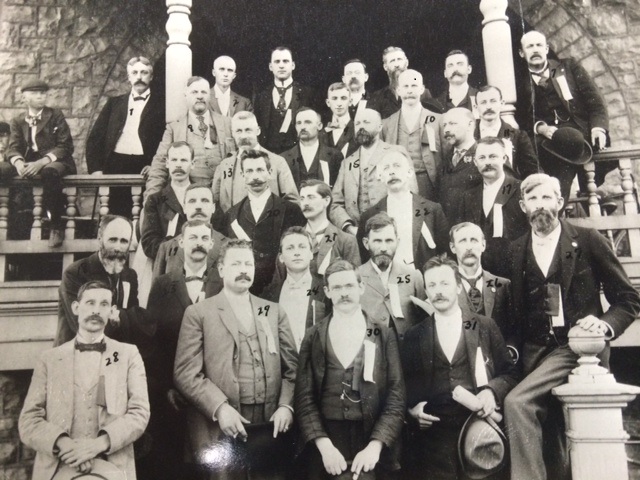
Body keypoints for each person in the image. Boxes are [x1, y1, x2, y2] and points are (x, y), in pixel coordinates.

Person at [503, 173, 640, 480]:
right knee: (553, 437)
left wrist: (603, 324)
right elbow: (514, 313)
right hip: (533, 353)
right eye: (534, 199)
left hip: (576, 350)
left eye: (547, 198)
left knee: (518, 404)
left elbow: (629, 300)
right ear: (523, 205)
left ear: (560, 202)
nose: (541, 206)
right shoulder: (514, 250)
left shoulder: (588, 240)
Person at [174, 239, 298, 479]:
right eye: (236, 264)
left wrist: (286, 405)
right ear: (221, 270)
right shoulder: (199, 313)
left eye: (248, 264)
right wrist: (220, 409)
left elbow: (293, 369)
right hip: (222, 426)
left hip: (269, 423)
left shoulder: (272, 311)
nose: (243, 270)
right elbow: (186, 373)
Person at [400, 255, 517, 480]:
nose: (438, 291)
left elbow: (510, 374)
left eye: (444, 283)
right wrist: (413, 412)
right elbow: (403, 386)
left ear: (458, 286)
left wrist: (491, 392)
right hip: (434, 438)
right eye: (431, 285)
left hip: (478, 429)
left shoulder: (484, 325)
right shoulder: (416, 335)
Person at [19, 280, 149, 480]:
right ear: (76, 307)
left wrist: (96, 446)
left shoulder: (128, 355)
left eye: (104, 304)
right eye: (90, 303)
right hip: (58, 468)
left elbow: (139, 414)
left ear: (112, 311)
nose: (96, 310)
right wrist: (66, 446)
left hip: (112, 468)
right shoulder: (49, 359)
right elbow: (28, 420)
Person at [294, 259, 405, 480]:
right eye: (336, 287)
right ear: (326, 291)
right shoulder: (314, 335)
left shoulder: (383, 334)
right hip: (327, 438)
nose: (344, 293)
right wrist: (324, 447)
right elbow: (304, 397)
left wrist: (375, 446)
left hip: (371, 438)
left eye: (349, 286)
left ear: (361, 287)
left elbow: (396, 395)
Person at [145, 220, 223, 480]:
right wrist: (167, 386)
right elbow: (153, 342)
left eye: (204, 238)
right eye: (193, 238)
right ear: (181, 242)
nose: (199, 243)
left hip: (213, 392)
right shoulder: (162, 285)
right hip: (174, 394)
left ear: (212, 244)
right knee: (177, 464)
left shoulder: (223, 284)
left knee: (212, 464)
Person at [515, 30, 611, 199]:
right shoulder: (519, 82)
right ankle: (585, 196)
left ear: (546, 49)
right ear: (522, 53)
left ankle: (585, 195)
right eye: (530, 47)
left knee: (568, 176)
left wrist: (598, 128)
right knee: (558, 179)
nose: (535, 50)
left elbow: (595, 102)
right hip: (549, 143)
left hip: (580, 136)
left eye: (539, 45)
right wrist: (541, 127)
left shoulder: (568, 68)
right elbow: (521, 118)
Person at [56, 215, 150, 349]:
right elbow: (83, 324)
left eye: (123, 241)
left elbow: (134, 322)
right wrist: (120, 319)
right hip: (76, 356)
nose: (118, 247)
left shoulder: (129, 276)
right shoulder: (75, 273)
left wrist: (121, 318)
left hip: (113, 356)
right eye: (112, 240)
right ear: (100, 240)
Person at [86, 56, 165, 216]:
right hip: (116, 164)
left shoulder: (162, 105)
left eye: (144, 72)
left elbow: (168, 138)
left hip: (145, 166)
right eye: (134, 73)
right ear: (129, 77)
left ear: (151, 76)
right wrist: (96, 170)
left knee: (144, 214)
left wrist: (157, 165)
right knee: (115, 215)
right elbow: (95, 138)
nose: (139, 77)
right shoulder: (114, 103)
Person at [1, 80, 75, 247]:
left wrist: (41, 162)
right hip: (28, 162)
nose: (41, 96)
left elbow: (65, 146)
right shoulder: (18, 120)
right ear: (25, 97)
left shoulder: (55, 115)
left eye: (43, 93)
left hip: (56, 161)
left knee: (49, 172)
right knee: (1, 169)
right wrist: (19, 163)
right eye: (35, 94)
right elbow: (13, 148)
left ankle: (56, 227)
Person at [222, 149, 306, 294]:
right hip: (245, 289)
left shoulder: (291, 211)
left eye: (260, 170)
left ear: (270, 172)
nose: (255, 177)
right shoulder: (232, 215)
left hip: (284, 288)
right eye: (249, 171)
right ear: (242, 175)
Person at [357, 150, 448, 271]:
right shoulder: (369, 215)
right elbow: (363, 257)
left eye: (397, 166)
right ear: (380, 176)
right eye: (386, 168)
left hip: (422, 280)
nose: (392, 171)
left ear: (409, 172)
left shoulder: (432, 209)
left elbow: (445, 252)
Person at [145, 76, 234, 200]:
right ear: (186, 95)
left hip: (222, 197)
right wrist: (150, 202)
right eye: (194, 92)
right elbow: (159, 165)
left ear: (210, 95)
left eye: (204, 92)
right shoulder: (174, 128)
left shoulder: (228, 124)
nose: (199, 96)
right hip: (186, 198)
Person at [457, 137, 529, 278]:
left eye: (493, 156)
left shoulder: (521, 189)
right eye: (482, 158)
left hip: (517, 271)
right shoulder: (468, 196)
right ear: (475, 162)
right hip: (483, 274)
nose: (487, 162)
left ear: (504, 158)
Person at [329, 108, 410, 234]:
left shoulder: (396, 152)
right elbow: (335, 204)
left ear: (379, 127)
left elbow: (411, 195)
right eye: (357, 124)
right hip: (355, 234)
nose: (361, 127)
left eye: (366, 122)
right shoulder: (348, 163)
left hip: (391, 232)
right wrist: (349, 228)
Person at [449, 222, 516, 354]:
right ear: (453, 247)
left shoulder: (502, 285)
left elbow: (512, 330)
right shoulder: (446, 287)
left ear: (483, 245)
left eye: (474, 240)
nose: (469, 247)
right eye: (462, 241)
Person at [357, 213, 426, 342]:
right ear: (366, 243)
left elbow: (424, 322)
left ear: (397, 242)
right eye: (377, 241)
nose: (384, 248)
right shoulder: (355, 278)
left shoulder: (413, 276)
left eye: (389, 241)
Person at [212, 111, 299, 212]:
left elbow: (292, 202)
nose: (243, 136)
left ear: (258, 131)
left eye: (248, 130)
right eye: (239, 131)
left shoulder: (277, 162)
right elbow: (215, 202)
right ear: (232, 133)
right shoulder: (224, 166)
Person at [261, 227, 327, 351]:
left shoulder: (325, 288)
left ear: (311, 253)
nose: (297, 252)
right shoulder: (269, 294)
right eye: (290, 248)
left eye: (302, 247)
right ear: (281, 257)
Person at [381, 69, 443, 201]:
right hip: (398, 183)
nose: (409, 91)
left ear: (422, 89)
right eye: (405, 86)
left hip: (428, 184)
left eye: (414, 86)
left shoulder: (438, 120)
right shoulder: (387, 124)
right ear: (398, 90)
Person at [153, 183, 226, 279]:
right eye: (192, 201)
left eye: (205, 201)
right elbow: (156, 291)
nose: (198, 206)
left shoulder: (227, 245)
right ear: (184, 208)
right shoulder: (166, 248)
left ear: (213, 208)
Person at [254, 46, 319, 153]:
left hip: (299, 155)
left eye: (285, 61)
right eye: (277, 62)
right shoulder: (261, 97)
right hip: (269, 154)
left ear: (293, 65)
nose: (281, 65)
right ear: (270, 66)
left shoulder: (307, 94)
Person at [474, 85, 539, 180]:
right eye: (483, 102)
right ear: (476, 107)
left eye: (493, 101)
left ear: (502, 103)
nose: (488, 107)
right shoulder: (468, 132)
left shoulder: (518, 136)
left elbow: (533, 171)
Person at [141, 141, 192, 260]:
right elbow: (149, 244)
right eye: (174, 160)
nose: (178, 165)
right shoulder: (155, 201)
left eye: (183, 160)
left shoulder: (203, 196)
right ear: (167, 163)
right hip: (167, 265)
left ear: (192, 163)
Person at [299, 179, 361, 279]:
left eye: (311, 197)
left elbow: (354, 281)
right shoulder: (293, 238)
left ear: (327, 200)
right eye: (302, 198)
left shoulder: (346, 240)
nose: (305, 203)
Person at [281, 107, 343, 189]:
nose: (302, 127)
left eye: (308, 122)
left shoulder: (335, 156)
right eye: (299, 123)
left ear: (319, 126)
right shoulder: (283, 158)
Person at [368, 46, 436, 119]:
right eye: (392, 61)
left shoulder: (423, 93)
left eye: (399, 59)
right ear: (385, 67)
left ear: (407, 63)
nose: (397, 65)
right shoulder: (378, 97)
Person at [438, 107, 481, 220]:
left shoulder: (483, 155)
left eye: (452, 123)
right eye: (445, 125)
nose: (446, 129)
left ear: (470, 125)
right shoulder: (445, 159)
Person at [322, 82, 358, 158]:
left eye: (343, 98)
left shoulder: (357, 130)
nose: (339, 103)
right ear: (328, 102)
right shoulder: (321, 132)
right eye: (334, 98)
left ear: (350, 102)